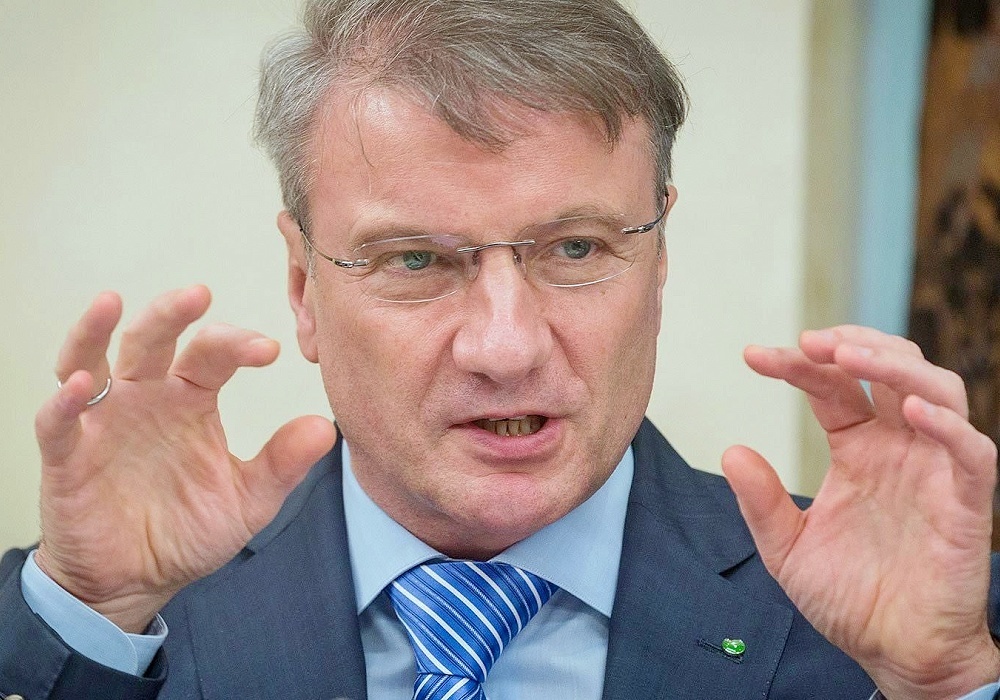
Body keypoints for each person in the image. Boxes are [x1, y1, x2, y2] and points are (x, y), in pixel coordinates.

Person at [1, 0, 998, 698]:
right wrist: (97, 609)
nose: (506, 347)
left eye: (576, 248)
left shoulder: (900, 630)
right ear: (303, 285)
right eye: (416, 259)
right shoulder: (126, 614)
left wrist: (942, 685)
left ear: (657, 261)